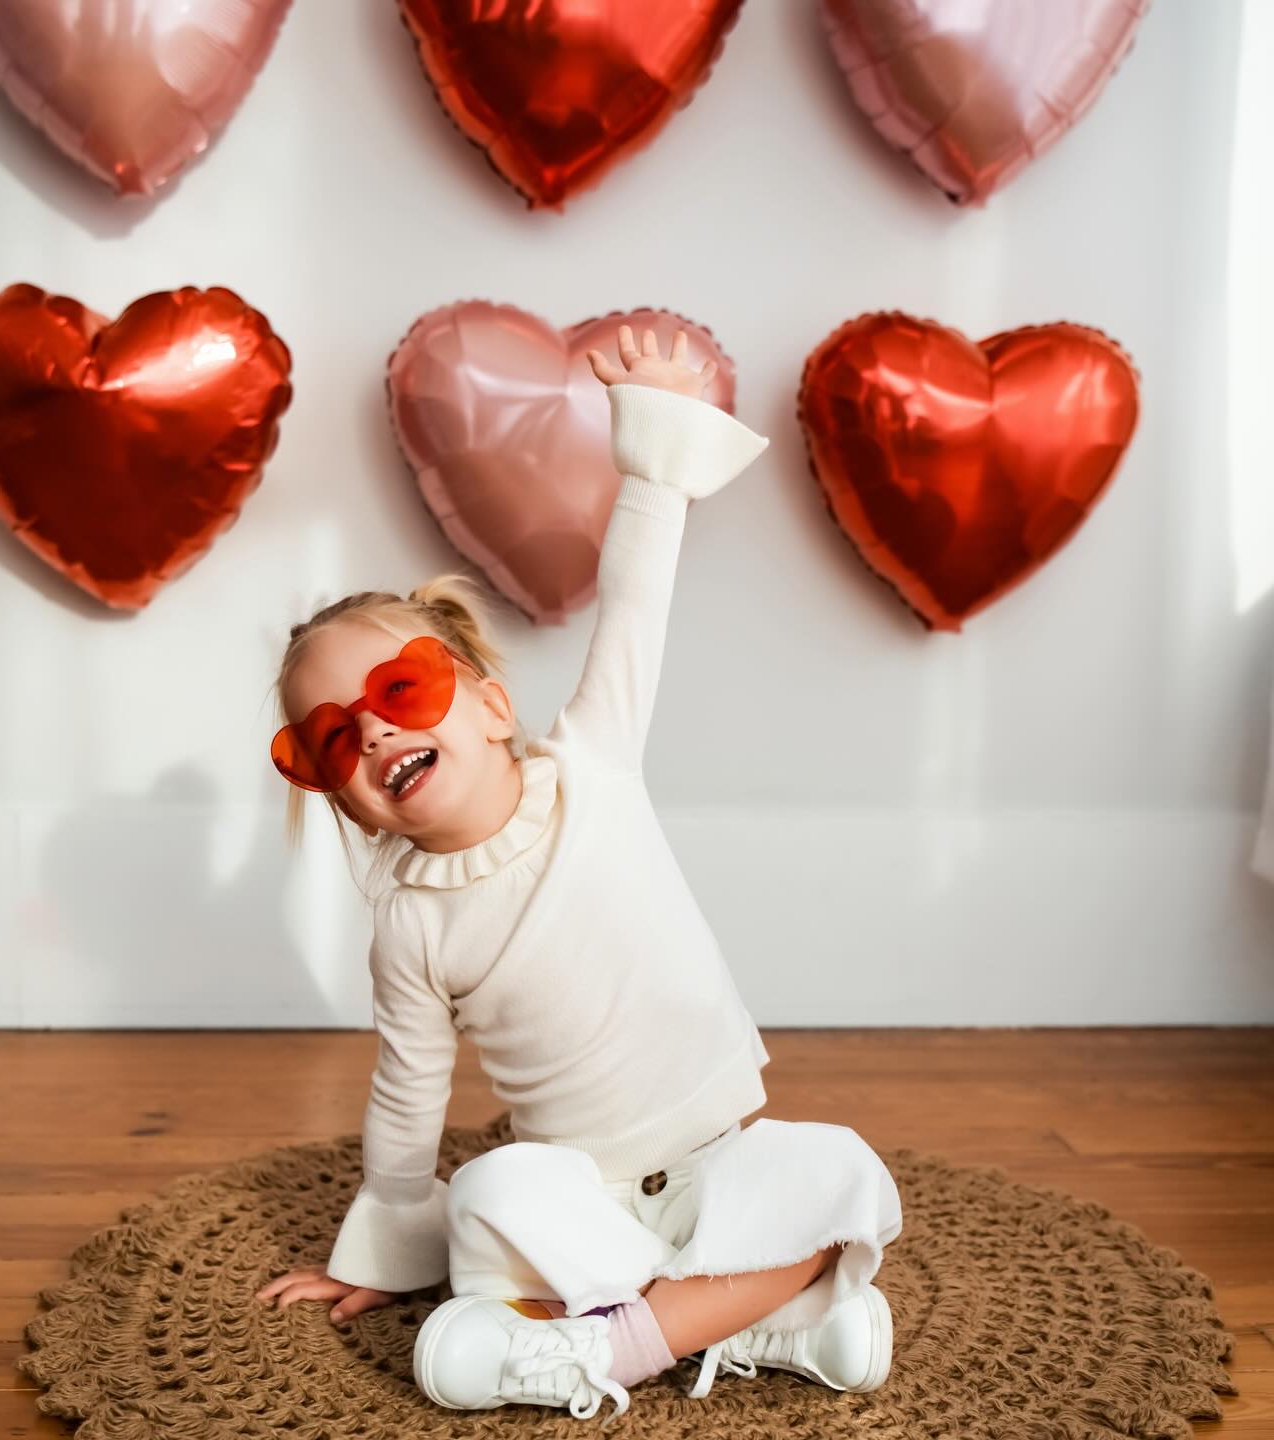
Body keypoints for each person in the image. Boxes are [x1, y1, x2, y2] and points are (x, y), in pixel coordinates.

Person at [256, 327, 903, 1424]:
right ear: (336, 792)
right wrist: (383, 1245)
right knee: (495, 1195)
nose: (368, 734)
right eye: (329, 740)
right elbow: (408, 1097)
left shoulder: (592, 763)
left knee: (846, 1181)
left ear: (492, 707)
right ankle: (756, 1324)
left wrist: (649, 445)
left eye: (399, 692)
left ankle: (616, 1344)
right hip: (583, 1195)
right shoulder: (410, 924)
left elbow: (635, 600)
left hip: (715, 1157)